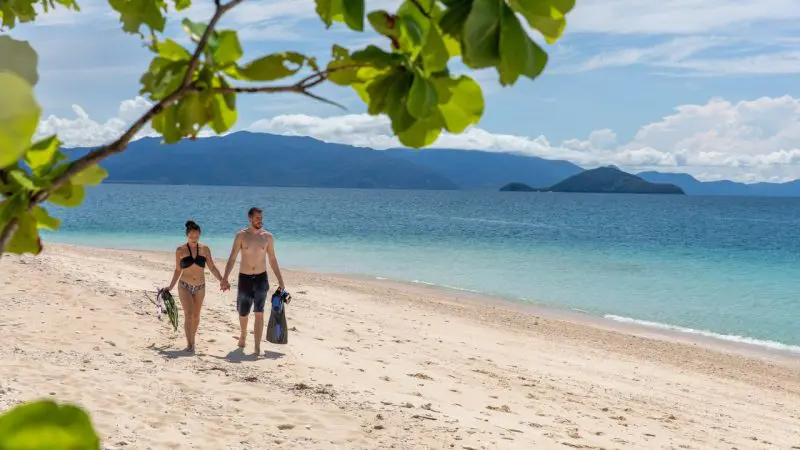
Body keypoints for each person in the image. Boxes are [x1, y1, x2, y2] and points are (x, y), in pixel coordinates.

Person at [223, 207, 286, 356]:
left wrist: (280, 280)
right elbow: (232, 257)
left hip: (261, 279)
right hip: (244, 278)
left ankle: (257, 346)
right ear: (250, 218)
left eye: (261, 218)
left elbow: (272, 259)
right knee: (243, 312)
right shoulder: (241, 236)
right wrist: (225, 277)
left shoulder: (267, 237)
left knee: (259, 312)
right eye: (257, 218)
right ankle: (243, 333)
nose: (260, 220)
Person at [164, 220, 226, 353]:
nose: (194, 237)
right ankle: (190, 344)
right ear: (187, 235)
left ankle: (192, 338)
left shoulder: (205, 249)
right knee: (189, 314)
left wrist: (222, 279)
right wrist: (170, 287)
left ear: (199, 235)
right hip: (184, 285)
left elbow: (212, 267)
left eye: (196, 234)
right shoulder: (180, 250)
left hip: (200, 287)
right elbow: (177, 270)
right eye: (192, 234)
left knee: (197, 316)